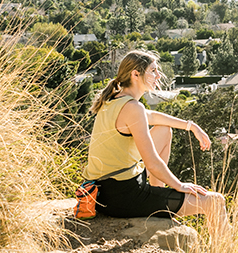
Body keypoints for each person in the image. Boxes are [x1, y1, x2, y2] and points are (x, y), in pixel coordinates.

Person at [83, 50, 230, 238]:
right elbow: (151, 162)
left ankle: (157, 193)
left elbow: (152, 117)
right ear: (135, 74)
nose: (158, 75)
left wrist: (191, 126)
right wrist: (179, 185)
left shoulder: (114, 100)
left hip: (103, 192)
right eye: (153, 71)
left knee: (163, 129)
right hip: (123, 197)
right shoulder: (132, 108)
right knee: (215, 202)